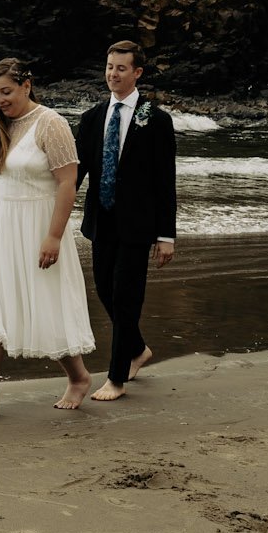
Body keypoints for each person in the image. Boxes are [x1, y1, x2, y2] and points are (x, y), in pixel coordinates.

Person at [0, 58, 97, 420]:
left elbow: (67, 183)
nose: (0, 99)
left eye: (6, 91)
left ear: (26, 85)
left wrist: (53, 235)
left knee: (45, 303)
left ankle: (78, 378)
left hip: (38, 224)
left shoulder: (51, 124)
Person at [74, 40, 178, 401]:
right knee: (105, 289)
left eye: (120, 68)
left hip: (138, 224)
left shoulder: (157, 120)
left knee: (125, 297)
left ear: (137, 73)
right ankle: (136, 349)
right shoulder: (91, 119)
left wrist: (166, 235)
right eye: (109, 67)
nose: (112, 74)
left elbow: (166, 181)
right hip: (101, 220)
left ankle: (116, 378)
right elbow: (76, 173)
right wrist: (48, 213)